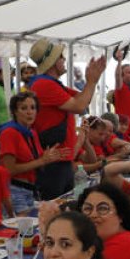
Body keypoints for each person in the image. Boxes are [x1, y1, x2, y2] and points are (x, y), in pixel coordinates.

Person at [28, 38, 107, 199]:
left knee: (67, 204)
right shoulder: (43, 84)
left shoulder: (52, 84)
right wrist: (91, 81)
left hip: (61, 161)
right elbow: (79, 105)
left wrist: (92, 81)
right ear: (53, 62)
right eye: (61, 57)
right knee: (56, 208)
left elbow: (83, 100)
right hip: (53, 164)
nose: (64, 60)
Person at [0, 91, 64, 217]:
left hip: (30, 189)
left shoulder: (31, 132)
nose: (30, 112)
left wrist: (48, 157)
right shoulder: (9, 133)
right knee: (23, 231)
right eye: (24, 108)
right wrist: (41, 161)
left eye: (33, 108)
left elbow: (36, 161)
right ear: (14, 112)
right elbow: (9, 169)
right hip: (15, 190)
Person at [112, 48, 130, 141]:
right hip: (124, 133)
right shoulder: (121, 88)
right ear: (122, 76)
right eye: (129, 72)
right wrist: (119, 61)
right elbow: (117, 76)